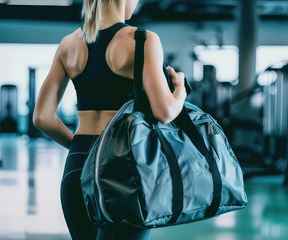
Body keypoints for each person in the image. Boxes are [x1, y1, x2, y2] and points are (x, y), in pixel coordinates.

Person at [32, 0, 187, 239]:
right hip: (124, 169)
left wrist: (86, 151)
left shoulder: (68, 44)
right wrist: (180, 92)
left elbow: (42, 117)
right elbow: (165, 112)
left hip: (76, 167)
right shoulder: (143, 40)